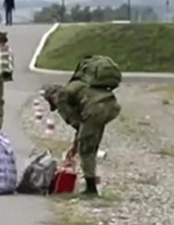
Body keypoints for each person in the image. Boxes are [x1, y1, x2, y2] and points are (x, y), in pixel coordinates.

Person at [43, 56, 123, 196]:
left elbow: (77, 124)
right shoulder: (79, 85)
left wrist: (75, 147)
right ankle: (91, 184)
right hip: (111, 107)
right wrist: (75, 145)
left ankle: (91, 190)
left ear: (53, 96)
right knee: (90, 143)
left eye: (52, 102)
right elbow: (82, 127)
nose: (55, 105)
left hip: (94, 110)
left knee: (86, 150)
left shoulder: (62, 97)